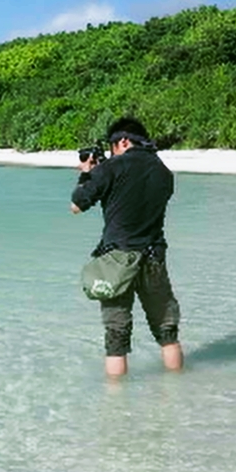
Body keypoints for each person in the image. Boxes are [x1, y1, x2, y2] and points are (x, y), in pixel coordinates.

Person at [70, 117, 183, 377]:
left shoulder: (110, 169)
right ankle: (176, 394)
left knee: (116, 338)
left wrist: (87, 173)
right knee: (167, 333)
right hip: (154, 257)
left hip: (117, 260)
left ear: (123, 141)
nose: (111, 152)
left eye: (112, 147)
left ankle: (116, 410)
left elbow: (77, 205)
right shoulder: (164, 173)